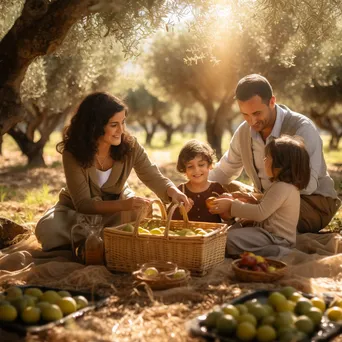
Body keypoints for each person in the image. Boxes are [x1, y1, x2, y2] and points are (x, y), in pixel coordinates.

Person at [35, 92, 192, 253]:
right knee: (49, 230)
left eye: (123, 122)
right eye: (114, 125)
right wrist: (125, 205)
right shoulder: (72, 153)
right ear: (94, 126)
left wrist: (173, 191)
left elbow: (151, 174)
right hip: (76, 211)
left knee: (139, 213)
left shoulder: (130, 146)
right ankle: (95, 240)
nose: (121, 130)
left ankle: (91, 242)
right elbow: (83, 204)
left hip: (116, 207)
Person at [209, 74, 341, 233]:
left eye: (257, 113)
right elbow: (224, 171)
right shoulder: (244, 132)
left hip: (310, 203)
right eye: (245, 114)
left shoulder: (301, 129)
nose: (251, 121)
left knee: (260, 218)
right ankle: (246, 221)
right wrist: (191, 189)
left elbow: (307, 186)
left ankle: (247, 224)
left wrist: (256, 202)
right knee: (218, 186)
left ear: (272, 102)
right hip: (265, 199)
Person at [210, 135, 311, 257]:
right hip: (268, 234)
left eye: (267, 157)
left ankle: (277, 251)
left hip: (276, 238)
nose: (264, 160)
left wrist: (231, 205)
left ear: (280, 164)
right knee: (230, 232)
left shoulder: (282, 187)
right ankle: (266, 250)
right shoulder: (283, 186)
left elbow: (260, 213)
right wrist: (250, 199)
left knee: (227, 239)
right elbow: (268, 207)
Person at [171, 140, 227, 223]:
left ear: (210, 165)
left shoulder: (216, 189)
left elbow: (229, 217)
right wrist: (181, 212)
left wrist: (222, 211)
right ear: (184, 170)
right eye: (190, 166)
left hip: (214, 234)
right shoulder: (180, 191)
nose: (196, 170)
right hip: (187, 234)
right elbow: (169, 218)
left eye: (201, 165)